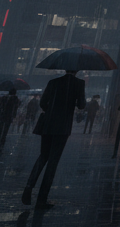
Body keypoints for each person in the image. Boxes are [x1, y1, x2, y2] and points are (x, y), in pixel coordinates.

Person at [22, 69, 86, 209]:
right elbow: (81, 105)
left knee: (43, 156)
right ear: (76, 70)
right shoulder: (79, 84)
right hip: (62, 127)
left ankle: (28, 187)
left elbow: (43, 103)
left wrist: (53, 109)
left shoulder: (53, 82)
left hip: (48, 125)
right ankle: (41, 199)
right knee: (53, 162)